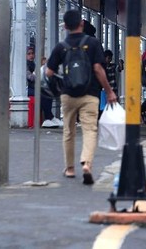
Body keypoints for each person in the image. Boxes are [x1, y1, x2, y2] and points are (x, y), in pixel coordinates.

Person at [45, 10, 117, 185]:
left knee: (68, 132)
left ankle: (70, 169)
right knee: (89, 130)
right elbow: (99, 69)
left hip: (68, 95)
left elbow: (48, 72)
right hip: (90, 95)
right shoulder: (92, 43)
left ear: (65, 26)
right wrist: (109, 91)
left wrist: (58, 90)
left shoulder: (61, 46)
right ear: (82, 24)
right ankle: (86, 163)